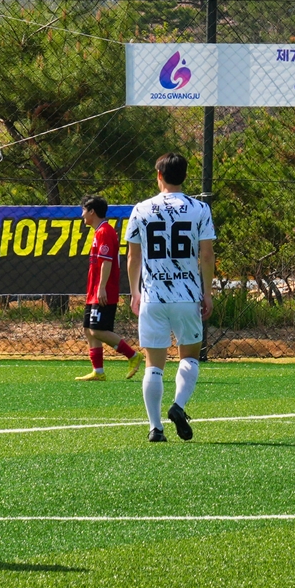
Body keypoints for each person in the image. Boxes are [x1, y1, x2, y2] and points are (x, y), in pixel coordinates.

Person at [127, 153, 217, 442]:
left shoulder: (141, 209)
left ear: (159, 175)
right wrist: (207, 292)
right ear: (185, 176)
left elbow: (133, 257)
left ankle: (155, 428)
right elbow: (206, 255)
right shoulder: (200, 209)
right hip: (187, 296)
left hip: (153, 297)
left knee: (154, 364)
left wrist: (135, 292)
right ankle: (178, 405)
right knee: (189, 357)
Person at [75, 195, 140, 382]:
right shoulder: (99, 231)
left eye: (84, 210)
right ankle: (98, 371)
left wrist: (102, 287)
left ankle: (133, 356)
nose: (82, 215)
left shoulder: (105, 231)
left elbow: (107, 262)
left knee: (98, 330)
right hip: (94, 290)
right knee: (88, 329)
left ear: (92, 211)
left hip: (103, 291)